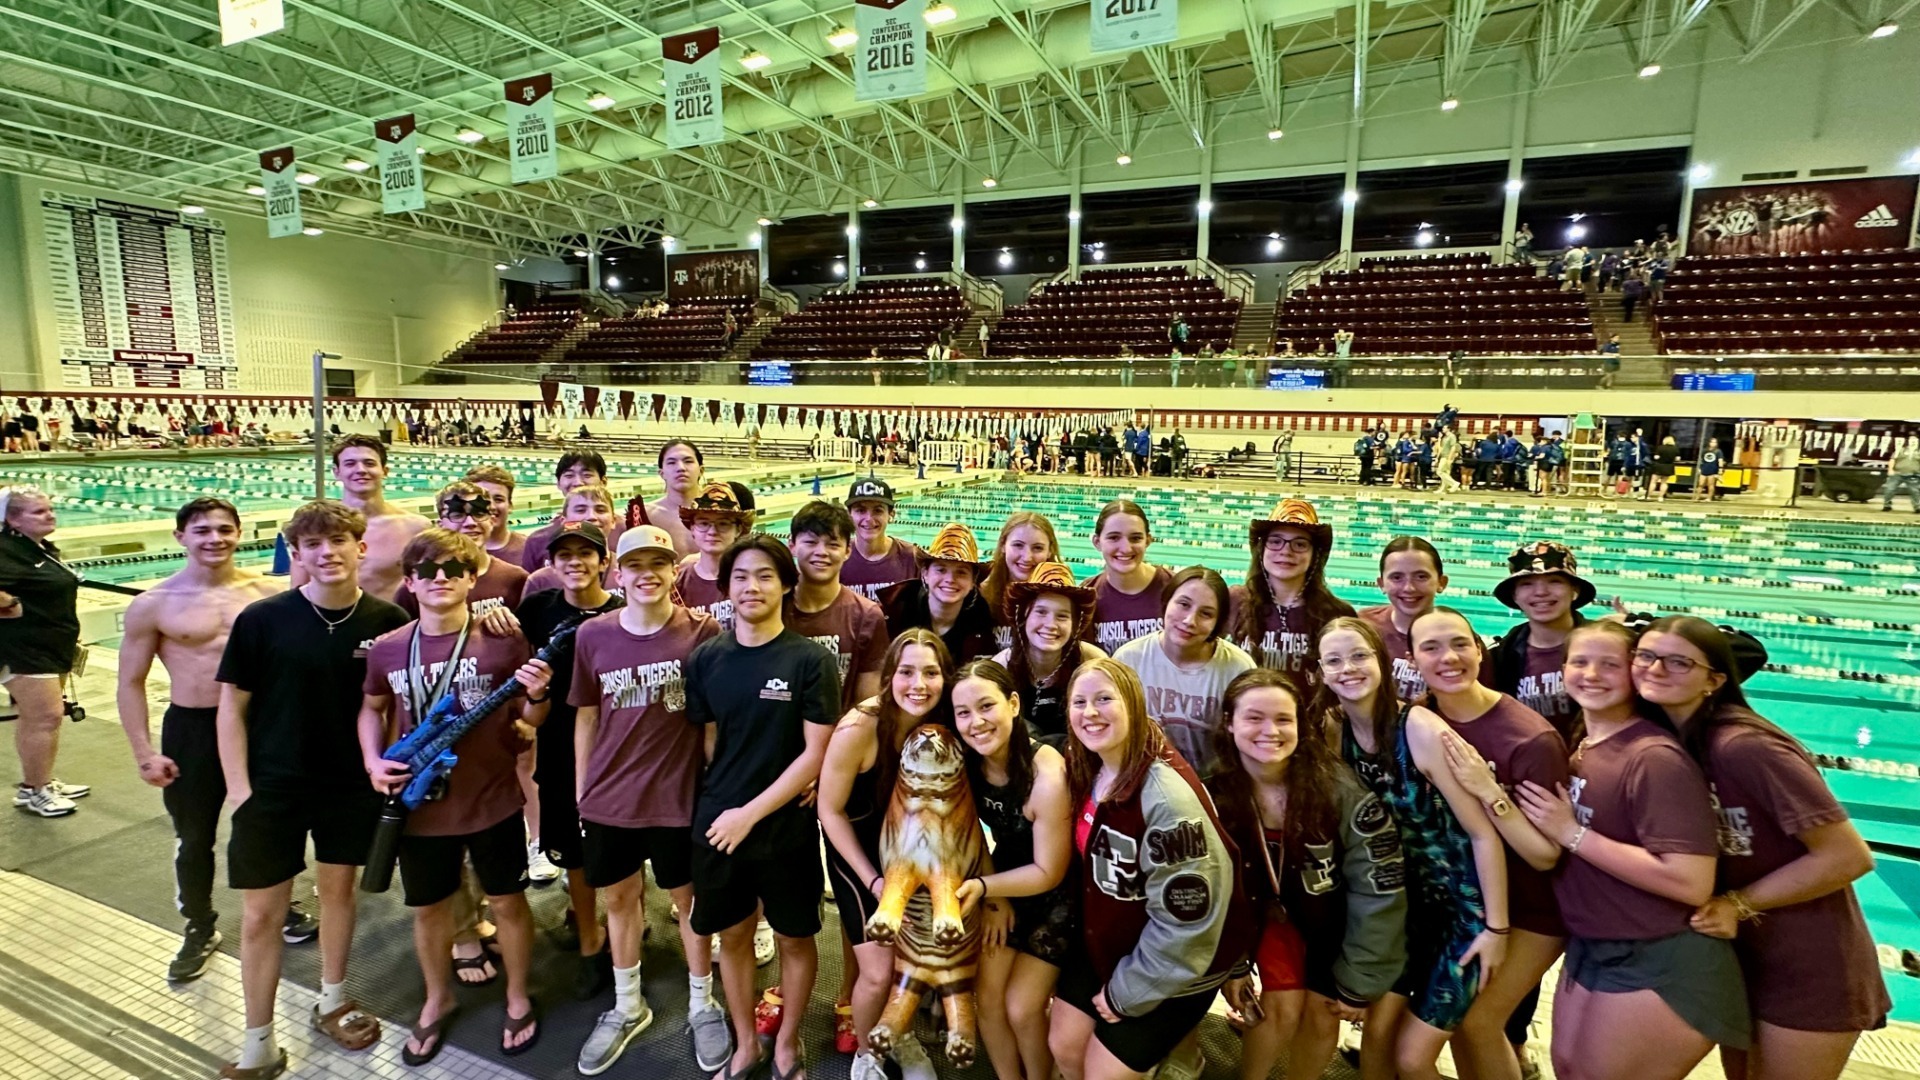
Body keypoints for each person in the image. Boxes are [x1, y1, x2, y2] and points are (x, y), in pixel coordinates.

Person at [1634, 616, 1888, 1080]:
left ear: (1714, 680)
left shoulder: (1744, 746)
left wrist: (1738, 903)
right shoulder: (1671, 745)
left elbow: (1848, 855)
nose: (1655, 669)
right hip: (1738, 957)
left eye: (1678, 662)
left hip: (1808, 964)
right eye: (1645, 656)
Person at [214, 499, 410, 1079]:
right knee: (260, 915)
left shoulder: (387, 621)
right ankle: (258, 1041)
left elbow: (392, 707)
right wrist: (239, 790)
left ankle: (332, 1001)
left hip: (349, 785)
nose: (327, 553)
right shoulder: (263, 619)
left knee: (338, 895)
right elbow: (231, 708)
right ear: (296, 553)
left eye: (338, 541)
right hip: (272, 785)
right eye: (313, 544)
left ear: (361, 547)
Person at [1504, 621, 1748, 1079]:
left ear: (1634, 674)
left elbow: (1690, 881)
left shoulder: (1653, 757)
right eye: (1580, 662)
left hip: (1660, 954)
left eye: (1609, 665)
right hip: (1595, 942)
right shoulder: (1585, 743)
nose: (1591, 674)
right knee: (1570, 1070)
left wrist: (1572, 833)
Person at [359, 529, 552, 1064]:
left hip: (492, 797)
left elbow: (531, 717)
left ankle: (518, 994)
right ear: (410, 582)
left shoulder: (503, 640)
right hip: (420, 806)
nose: (439, 578)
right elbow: (371, 708)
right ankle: (436, 997)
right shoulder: (389, 647)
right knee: (429, 909)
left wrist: (539, 697)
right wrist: (373, 761)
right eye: (426, 571)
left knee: (508, 902)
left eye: (452, 570)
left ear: (472, 579)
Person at [115, 498, 300, 981]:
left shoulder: (268, 593)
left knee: (269, 824)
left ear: (239, 534)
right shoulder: (154, 604)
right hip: (193, 729)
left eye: (224, 529)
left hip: (260, 727)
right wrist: (144, 752)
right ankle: (199, 925)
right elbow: (130, 682)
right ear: (180, 537)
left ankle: (278, 908)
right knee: (195, 835)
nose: (214, 539)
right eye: (202, 531)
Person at [566, 524, 728, 1075]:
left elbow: (711, 720)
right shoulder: (593, 635)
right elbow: (587, 716)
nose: (647, 575)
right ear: (618, 573)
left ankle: (702, 1003)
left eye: (658, 564)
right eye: (635, 565)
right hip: (610, 798)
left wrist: (712, 785)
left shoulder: (701, 631)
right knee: (619, 899)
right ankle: (627, 1003)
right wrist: (583, 789)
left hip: (678, 797)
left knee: (688, 903)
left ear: (673, 570)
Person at [1318, 617, 1508, 1080]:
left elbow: (1483, 834)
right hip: (1403, 914)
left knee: (1413, 1060)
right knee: (1376, 1042)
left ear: (1382, 662)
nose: (1348, 668)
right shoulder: (1334, 729)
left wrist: (1496, 928)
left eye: (1359, 656)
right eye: (1334, 660)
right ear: (1321, 672)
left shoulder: (1420, 729)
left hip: (1464, 917)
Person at [1048, 658, 1254, 1080]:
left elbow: (1187, 925)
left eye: (1104, 699)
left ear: (1135, 706)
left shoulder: (1165, 799)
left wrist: (1126, 994)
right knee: (1064, 1045)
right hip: (1114, 936)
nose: (1090, 712)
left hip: (1177, 962)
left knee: (1103, 1073)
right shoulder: (1092, 766)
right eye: (1079, 702)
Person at [685, 533, 840, 1080]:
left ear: (786, 585)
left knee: (795, 937)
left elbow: (815, 754)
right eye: (741, 576)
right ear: (726, 587)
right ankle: (747, 1043)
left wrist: (748, 813)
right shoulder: (705, 659)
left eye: (765, 575)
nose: (752, 586)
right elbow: (708, 743)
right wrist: (724, 810)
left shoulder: (810, 661)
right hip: (719, 825)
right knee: (732, 936)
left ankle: (788, 1041)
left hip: (782, 828)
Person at [1208, 669, 1408, 1080]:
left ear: (1301, 725)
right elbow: (1213, 892)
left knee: (1323, 1014)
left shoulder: (1341, 793)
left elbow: (1379, 890)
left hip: (1336, 920)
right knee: (1279, 1009)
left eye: (1283, 719)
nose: (1270, 731)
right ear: (1229, 722)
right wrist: (1234, 964)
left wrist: (1360, 978)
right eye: (1254, 718)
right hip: (1265, 916)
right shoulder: (1213, 795)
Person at [1410, 607, 1569, 1080]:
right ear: (1413, 661)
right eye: (1431, 648)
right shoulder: (1419, 719)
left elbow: (1545, 856)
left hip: (1530, 912)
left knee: (1479, 1023)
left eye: (1461, 644)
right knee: (1465, 1028)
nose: (1449, 657)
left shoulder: (1530, 739)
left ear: (1480, 651)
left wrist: (1489, 791)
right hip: (1466, 904)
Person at [820, 629, 955, 1080]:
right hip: (859, 856)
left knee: (911, 964)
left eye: (931, 673)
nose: (919, 684)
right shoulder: (860, 728)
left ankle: (900, 1034)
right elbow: (829, 810)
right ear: (889, 676)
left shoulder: (946, 723)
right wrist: (875, 882)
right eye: (907, 672)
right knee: (878, 973)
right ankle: (868, 1054)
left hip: (912, 857)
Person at [516, 521, 626, 1004]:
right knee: (575, 858)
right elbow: (512, 660)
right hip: (560, 748)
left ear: (605, 562)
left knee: (620, 853)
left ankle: (623, 929)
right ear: (552, 563)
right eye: (566, 555)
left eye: (587, 553)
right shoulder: (536, 609)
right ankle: (589, 942)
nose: (576, 562)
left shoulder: (624, 612)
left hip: (618, 751)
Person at [950, 659, 1075, 1080]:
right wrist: (995, 897)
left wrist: (985, 887)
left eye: (987, 706)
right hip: (1004, 883)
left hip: (1060, 896)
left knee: (1021, 1008)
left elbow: (1049, 871)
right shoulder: (968, 763)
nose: (976, 722)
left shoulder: (1047, 774)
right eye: (963, 713)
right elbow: (971, 834)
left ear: (1014, 704)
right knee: (986, 1000)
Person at [1111, 566, 1256, 778]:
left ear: (1218, 622)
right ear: (1166, 602)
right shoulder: (1129, 659)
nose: (1189, 621)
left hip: (1214, 784)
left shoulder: (1237, 668)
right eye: (1183, 604)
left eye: (1206, 614)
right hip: (1143, 780)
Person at [0, 487, 87, 818]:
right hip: (23, 649)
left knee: (36, 718)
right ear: (13, 519)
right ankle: (38, 792)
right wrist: (10, 603)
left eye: (50, 509)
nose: (50, 515)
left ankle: (36, 783)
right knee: (46, 717)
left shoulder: (37, 547)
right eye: (39, 512)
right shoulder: (7, 550)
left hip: (49, 645)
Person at [1228, 499, 1355, 692]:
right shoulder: (1235, 601)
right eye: (1275, 541)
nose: (1286, 551)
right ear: (1262, 549)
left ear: (1314, 554)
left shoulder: (1336, 614)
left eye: (1300, 544)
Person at [1484, 542, 1602, 743]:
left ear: (1574, 590)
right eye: (1527, 583)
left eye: (1555, 581)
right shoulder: (1501, 656)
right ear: (1515, 595)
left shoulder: (1604, 646)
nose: (1541, 592)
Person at [295, 435, 429, 600]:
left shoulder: (415, 527)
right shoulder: (313, 528)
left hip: (394, 615)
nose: (360, 470)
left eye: (369, 463)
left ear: (385, 471)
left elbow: (430, 586)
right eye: (350, 464)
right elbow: (297, 593)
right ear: (337, 472)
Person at [397, 482, 529, 617]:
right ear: (440, 525)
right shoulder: (420, 584)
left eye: (479, 513)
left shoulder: (516, 579)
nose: (470, 523)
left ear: (491, 520)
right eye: (457, 515)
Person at [877, 522, 998, 664]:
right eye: (941, 570)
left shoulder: (984, 624)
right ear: (925, 574)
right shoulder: (894, 614)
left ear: (973, 581)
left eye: (961, 572)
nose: (950, 580)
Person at [1359, 536, 1451, 703]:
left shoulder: (1459, 640)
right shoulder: (1362, 627)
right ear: (1381, 584)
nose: (1409, 588)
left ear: (1441, 582)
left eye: (1421, 576)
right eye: (1396, 577)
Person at [1081, 501, 1171, 653]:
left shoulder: (1175, 588)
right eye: (1114, 537)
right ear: (1097, 542)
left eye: (1135, 538)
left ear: (1148, 541)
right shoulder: (1086, 595)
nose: (1126, 549)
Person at [675, 481, 758, 632]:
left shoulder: (752, 578)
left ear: (738, 530)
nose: (712, 531)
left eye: (723, 523)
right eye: (704, 523)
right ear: (692, 528)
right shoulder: (680, 579)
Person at [979, 512, 1060, 653]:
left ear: (1050, 551)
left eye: (1038, 548)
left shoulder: (1062, 598)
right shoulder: (982, 594)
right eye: (1018, 545)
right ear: (1003, 546)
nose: (1027, 557)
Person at [526, 483, 624, 594]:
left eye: (600, 510)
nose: (591, 517)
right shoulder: (541, 581)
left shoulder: (627, 570)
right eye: (580, 510)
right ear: (563, 521)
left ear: (613, 521)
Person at [841, 478, 922, 601]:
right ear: (849, 515)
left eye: (878, 511)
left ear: (891, 515)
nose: (869, 518)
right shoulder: (837, 558)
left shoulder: (912, 558)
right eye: (861, 510)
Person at [635, 440, 706, 558]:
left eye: (688, 461)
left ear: (701, 470)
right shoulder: (644, 515)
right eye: (672, 462)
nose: (681, 468)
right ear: (661, 473)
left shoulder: (721, 513)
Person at [1880, 441, 1920, 512]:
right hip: (1897, 474)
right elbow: (1892, 460)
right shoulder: (1900, 450)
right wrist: (1890, 470)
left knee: (1915, 491)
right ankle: (1887, 505)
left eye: (1915, 441)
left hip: (1913, 475)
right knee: (1889, 489)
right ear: (1908, 442)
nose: (1913, 442)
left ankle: (1917, 507)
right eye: (1911, 441)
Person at [1649, 435, 1681, 501]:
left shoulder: (1660, 447)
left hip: (1659, 466)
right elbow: (1678, 459)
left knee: (1653, 482)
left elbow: (1656, 457)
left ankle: (1648, 496)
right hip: (1668, 467)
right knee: (1664, 482)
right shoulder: (1675, 449)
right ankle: (1660, 497)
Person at [1437, 424, 1462, 492]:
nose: (1443, 429)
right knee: (1445, 473)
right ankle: (1443, 489)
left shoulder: (1452, 436)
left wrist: (1449, 458)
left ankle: (1454, 483)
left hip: (1447, 456)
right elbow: (1440, 448)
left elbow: (1453, 447)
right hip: (1443, 456)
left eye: (1444, 428)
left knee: (1440, 471)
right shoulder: (1444, 437)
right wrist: (1439, 439)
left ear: (1448, 429)